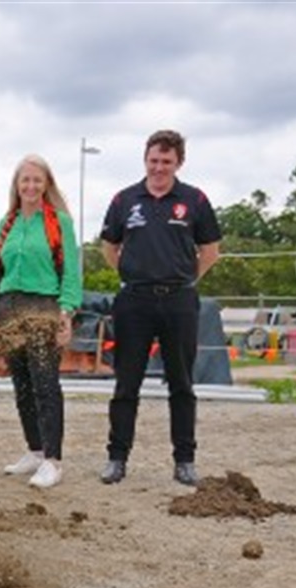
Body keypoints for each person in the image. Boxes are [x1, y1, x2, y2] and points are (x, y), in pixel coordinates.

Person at [98, 129, 222, 486]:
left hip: (179, 300)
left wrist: (186, 280)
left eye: (166, 161)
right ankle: (116, 458)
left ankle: (185, 460)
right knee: (126, 384)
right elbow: (109, 246)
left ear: (178, 162)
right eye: (154, 160)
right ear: (145, 160)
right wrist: (129, 272)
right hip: (134, 300)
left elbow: (211, 251)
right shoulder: (125, 200)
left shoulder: (194, 199)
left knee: (181, 384)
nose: (159, 168)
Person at [0, 154, 82, 488]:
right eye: (25, 180)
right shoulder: (5, 224)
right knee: (21, 384)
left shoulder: (59, 223)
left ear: (46, 184)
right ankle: (35, 450)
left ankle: (53, 460)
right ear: (16, 185)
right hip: (8, 306)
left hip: (43, 306)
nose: (31, 186)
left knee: (45, 383)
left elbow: (71, 271)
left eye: (37, 180)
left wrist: (66, 312)